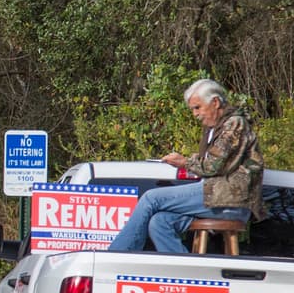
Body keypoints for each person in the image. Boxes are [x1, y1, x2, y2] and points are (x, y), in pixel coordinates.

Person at [108, 78, 265, 254]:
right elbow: (219, 162)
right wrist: (194, 159)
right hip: (217, 196)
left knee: (151, 198)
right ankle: (184, 274)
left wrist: (184, 162)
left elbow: (213, 166)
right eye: (192, 109)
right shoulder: (214, 128)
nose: (195, 114)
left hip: (231, 200)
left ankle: (118, 254)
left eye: (197, 108)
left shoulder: (235, 123)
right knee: (160, 222)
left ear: (215, 102)